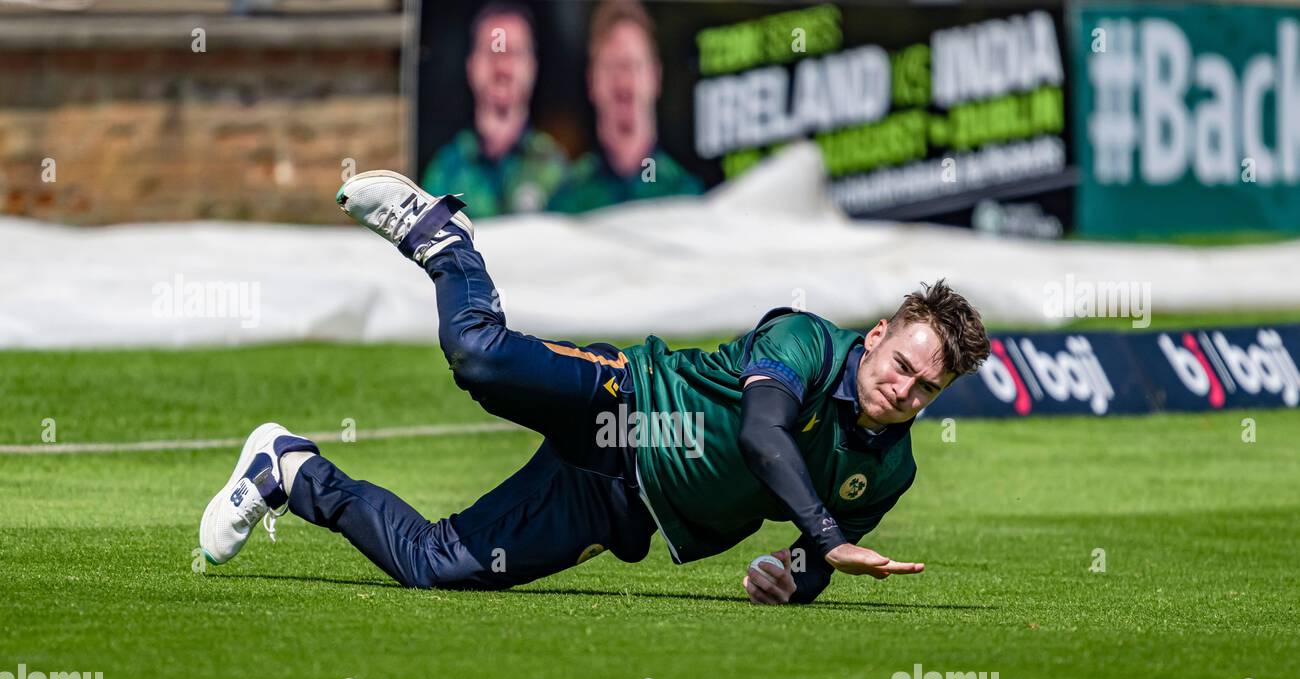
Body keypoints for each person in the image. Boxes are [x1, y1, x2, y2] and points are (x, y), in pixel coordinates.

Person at [198, 171, 990, 605]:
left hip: (615, 505)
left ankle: (290, 470)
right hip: (628, 405)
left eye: (928, 389)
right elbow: (762, 436)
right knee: (477, 356)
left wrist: (794, 574)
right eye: (903, 366)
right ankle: (446, 241)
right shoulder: (808, 341)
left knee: (435, 566)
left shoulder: (891, 468)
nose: (907, 391)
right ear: (878, 335)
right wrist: (824, 536)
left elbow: (823, 556)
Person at [548, 0, 702, 213]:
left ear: (655, 77)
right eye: (613, 68)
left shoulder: (685, 196)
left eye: (634, 66)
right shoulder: (567, 201)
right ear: (592, 82)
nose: (624, 84)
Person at [419, 2, 567, 216]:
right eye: (492, 51)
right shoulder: (445, 171)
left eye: (514, 53)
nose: (502, 67)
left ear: (532, 67)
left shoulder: (557, 171)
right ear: (471, 66)